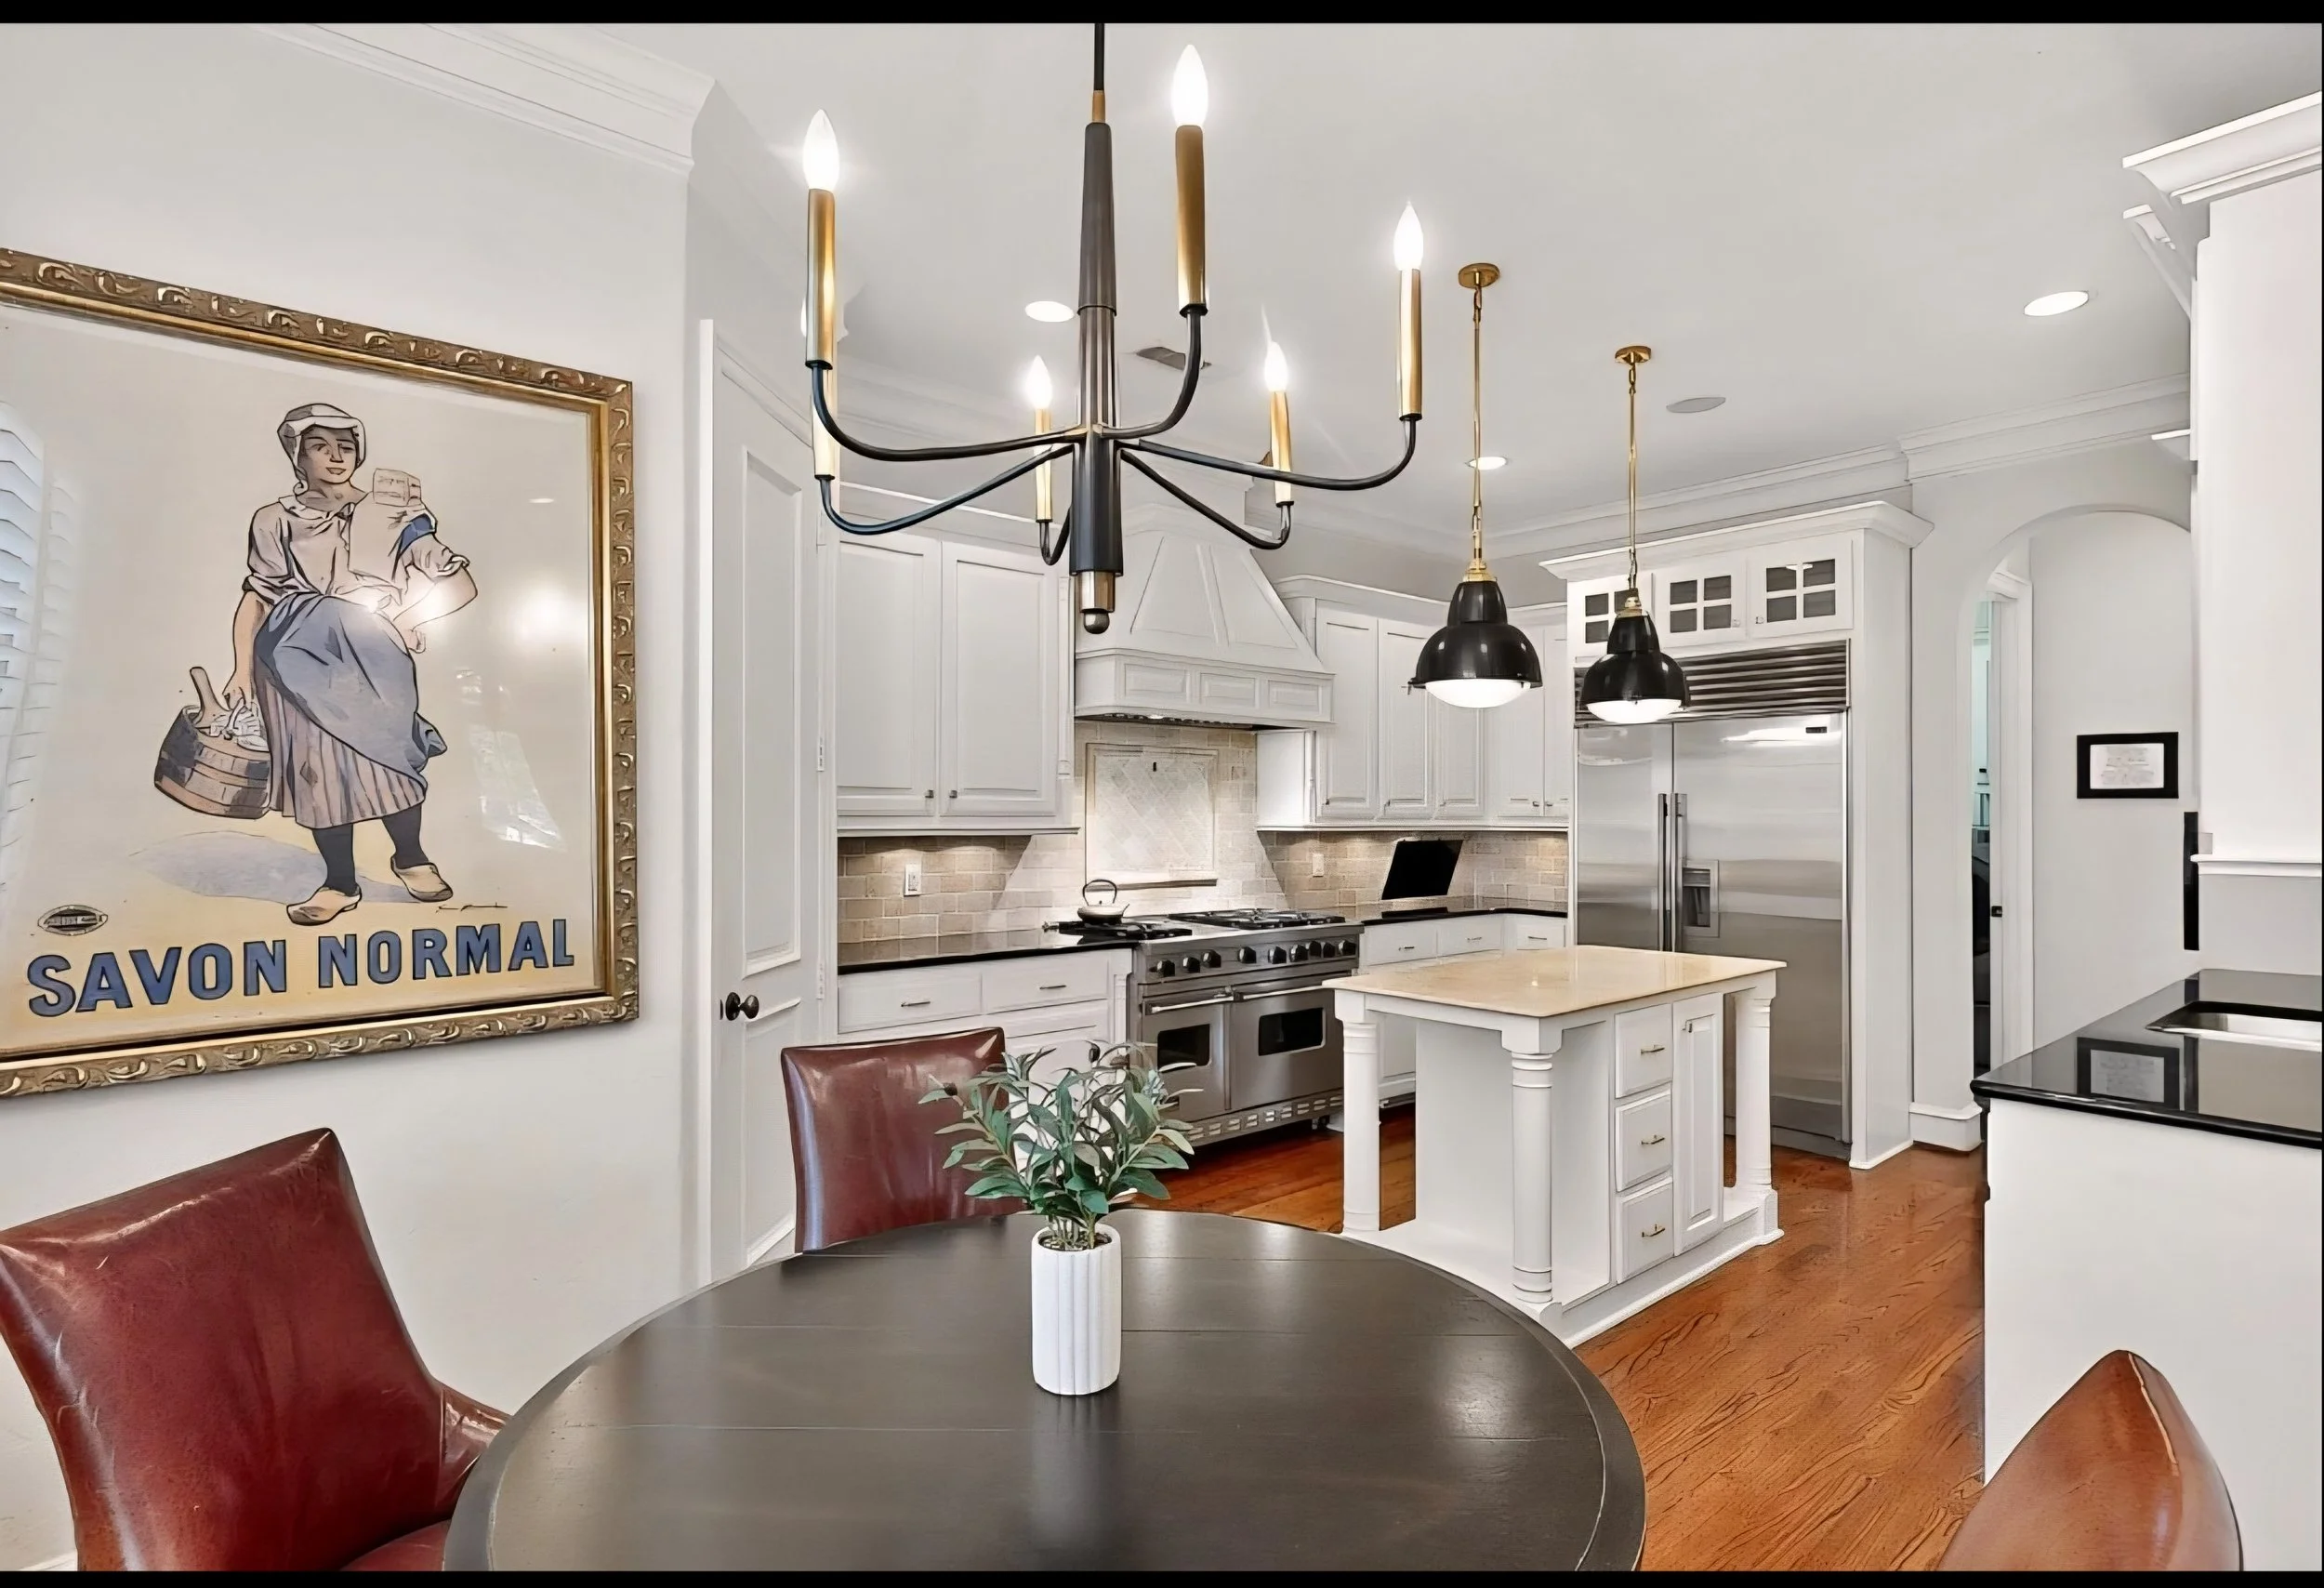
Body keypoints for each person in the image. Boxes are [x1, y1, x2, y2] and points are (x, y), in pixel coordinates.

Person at [222, 404, 477, 926]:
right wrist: (241, 670)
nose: (336, 457)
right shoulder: (273, 520)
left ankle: (411, 857)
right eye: (321, 446)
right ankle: (339, 882)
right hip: (292, 654)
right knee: (317, 771)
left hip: (372, 654)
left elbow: (459, 583)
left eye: (347, 445)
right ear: (298, 454)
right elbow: (257, 596)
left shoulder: (393, 512)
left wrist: (408, 617)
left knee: (391, 758)